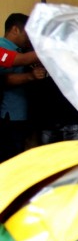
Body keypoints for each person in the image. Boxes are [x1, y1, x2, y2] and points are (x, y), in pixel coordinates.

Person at [0, 13, 47, 162]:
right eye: (28, 33)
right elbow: (7, 78)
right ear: (15, 30)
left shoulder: (22, 49)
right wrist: (50, 48)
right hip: (9, 115)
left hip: (23, 115)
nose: (30, 38)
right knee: (11, 159)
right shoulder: (1, 47)